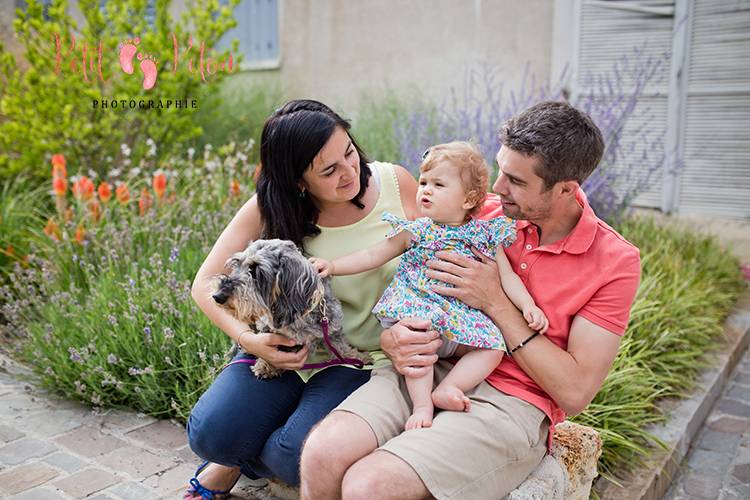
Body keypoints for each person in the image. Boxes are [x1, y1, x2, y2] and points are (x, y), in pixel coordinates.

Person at [299, 100, 643, 500]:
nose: (496, 188)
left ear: (566, 188)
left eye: (515, 180)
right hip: (429, 364)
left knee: (369, 485)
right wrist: (394, 339)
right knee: (321, 456)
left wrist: (496, 302)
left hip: (513, 402)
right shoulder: (474, 212)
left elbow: (574, 392)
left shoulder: (614, 261)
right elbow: (401, 262)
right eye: (499, 169)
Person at [183, 99, 421, 500]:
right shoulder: (271, 206)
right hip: (278, 350)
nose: (350, 172)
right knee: (210, 433)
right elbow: (205, 282)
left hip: (357, 360)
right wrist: (251, 341)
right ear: (297, 182)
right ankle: (230, 454)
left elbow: (442, 238)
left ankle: (240, 458)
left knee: (295, 458)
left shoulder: (396, 184)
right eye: (329, 170)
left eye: (350, 152)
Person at [309, 141, 548, 431]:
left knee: (494, 346)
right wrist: (333, 265)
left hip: (460, 319)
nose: (425, 189)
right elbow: (373, 254)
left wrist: (528, 305)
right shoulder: (417, 229)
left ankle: (449, 387)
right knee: (417, 344)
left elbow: (508, 277)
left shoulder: (485, 235)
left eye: (438, 184)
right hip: (420, 309)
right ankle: (422, 405)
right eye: (423, 181)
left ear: (468, 198)